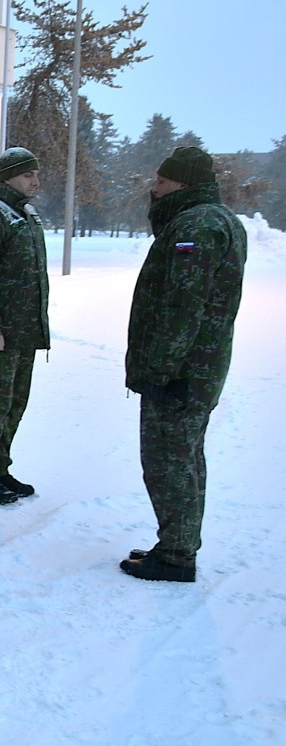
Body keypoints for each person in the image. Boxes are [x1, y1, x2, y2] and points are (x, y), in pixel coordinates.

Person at [122, 146, 246, 583]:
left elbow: (182, 306)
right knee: (186, 457)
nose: (153, 188)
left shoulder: (197, 225)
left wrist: (158, 370)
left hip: (180, 374)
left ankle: (176, 555)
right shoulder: (211, 219)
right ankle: (177, 542)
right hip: (196, 369)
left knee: (169, 460)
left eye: (161, 181)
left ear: (182, 183)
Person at [0, 147, 49, 504]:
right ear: (8, 177)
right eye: (28, 174)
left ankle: (1, 467)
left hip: (24, 333)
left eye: (36, 174)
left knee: (15, 405)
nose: (35, 181)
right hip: (0, 335)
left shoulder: (26, 215)